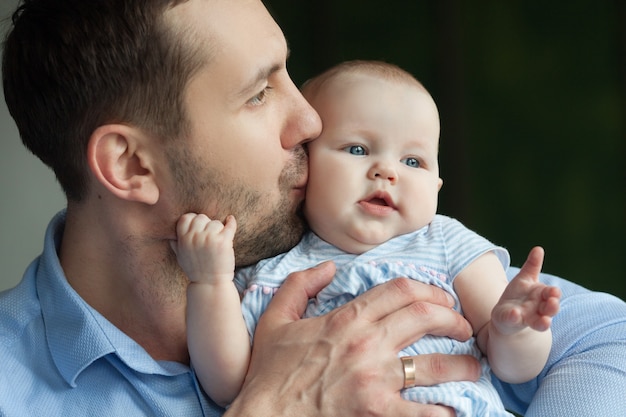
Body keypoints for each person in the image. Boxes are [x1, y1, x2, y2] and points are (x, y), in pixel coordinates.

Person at [0, 0, 624, 416]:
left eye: (290, 75)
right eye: (259, 93)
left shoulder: (370, 246)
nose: (309, 119)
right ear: (133, 166)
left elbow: (610, 339)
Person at [172, 60, 561, 415]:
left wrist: (516, 329)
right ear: (304, 165)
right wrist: (211, 283)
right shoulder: (274, 267)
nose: (387, 171)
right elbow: (228, 386)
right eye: (357, 149)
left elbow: (516, 369)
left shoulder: (445, 243)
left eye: (413, 161)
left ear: (436, 186)